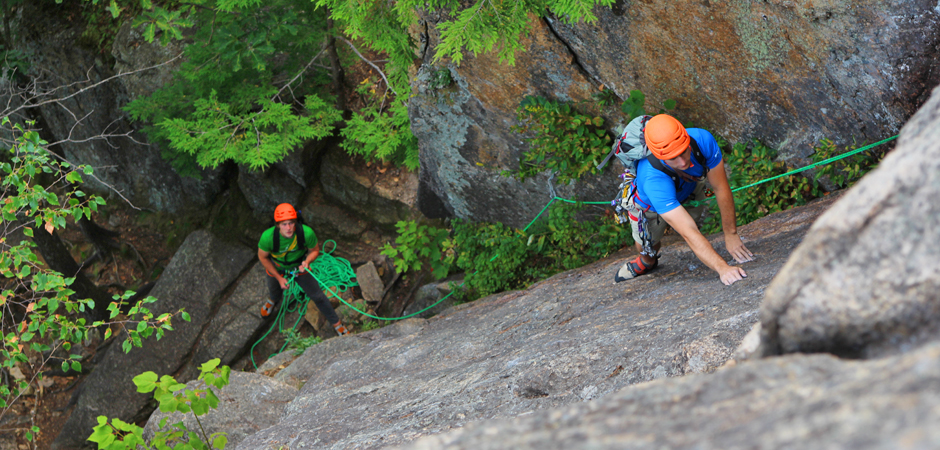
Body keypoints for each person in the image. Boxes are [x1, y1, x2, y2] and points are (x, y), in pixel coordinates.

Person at [615, 114, 754, 286]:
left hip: (688, 186)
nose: (682, 162)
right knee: (648, 245)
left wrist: (731, 234)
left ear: (687, 139)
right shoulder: (652, 179)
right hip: (648, 206)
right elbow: (689, 232)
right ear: (659, 155)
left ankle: (675, 221)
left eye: (684, 152)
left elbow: (720, 188)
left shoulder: (702, 140)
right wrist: (723, 268)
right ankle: (646, 262)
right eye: (673, 158)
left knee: (691, 221)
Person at [258, 203, 349, 336]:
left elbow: (315, 250)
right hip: (277, 266)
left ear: (295, 222)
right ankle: (273, 300)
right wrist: (279, 277)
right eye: (284, 224)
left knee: (318, 296)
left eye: (291, 223)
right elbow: (263, 257)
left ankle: (337, 324)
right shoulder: (268, 237)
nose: (288, 228)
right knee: (274, 288)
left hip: (299, 266)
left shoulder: (306, 233)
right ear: (277, 225)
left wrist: (307, 261)